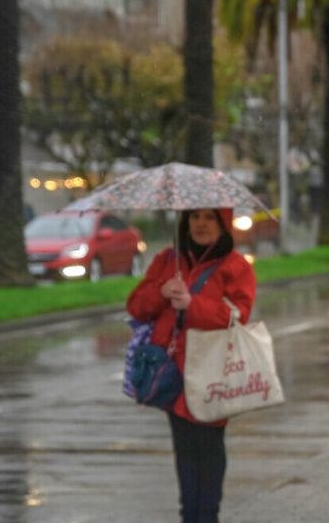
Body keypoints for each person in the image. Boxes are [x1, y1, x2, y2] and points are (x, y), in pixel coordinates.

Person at [126, 208, 256, 523]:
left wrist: (192, 304)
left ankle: (207, 515)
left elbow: (238, 314)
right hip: (173, 371)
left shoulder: (235, 266)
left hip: (214, 370)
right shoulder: (167, 261)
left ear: (223, 224)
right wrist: (161, 292)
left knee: (209, 444)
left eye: (209, 217)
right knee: (184, 446)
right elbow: (137, 307)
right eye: (194, 217)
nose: (200, 224)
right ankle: (189, 516)